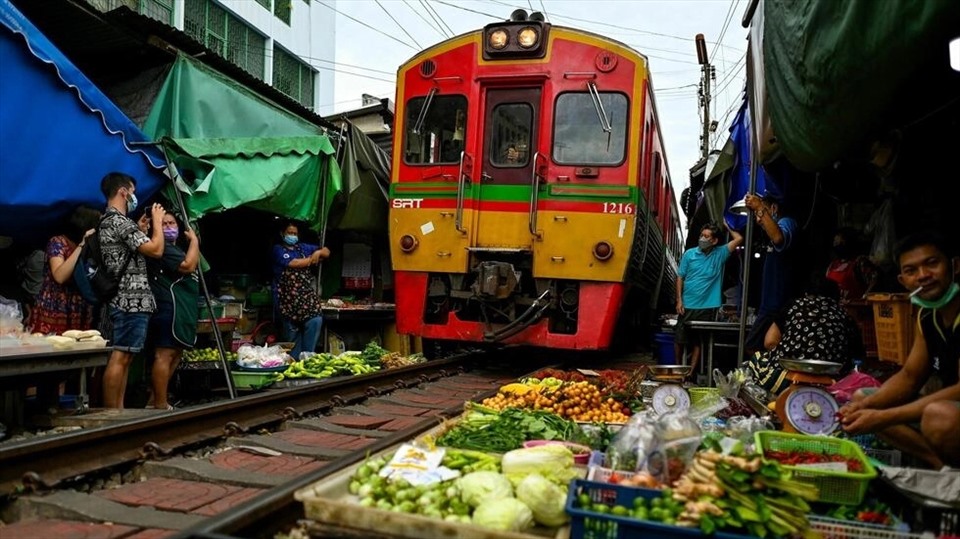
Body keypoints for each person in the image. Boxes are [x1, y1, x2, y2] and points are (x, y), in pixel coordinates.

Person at [839, 232, 960, 468]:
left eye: (932, 263)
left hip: (949, 412)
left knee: (939, 416)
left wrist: (883, 417)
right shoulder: (927, 315)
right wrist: (864, 407)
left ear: (954, 266)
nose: (923, 276)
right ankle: (941, 467)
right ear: (903, 281)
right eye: (911, 270)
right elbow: (910, 376)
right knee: (864, 398)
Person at [99, 172, 165, 409]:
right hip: (129, 299)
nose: (135, 197)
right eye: (133, 191)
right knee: (120, 356)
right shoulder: (119, 221)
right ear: (123, 192)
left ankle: (118, 411)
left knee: (124, 357)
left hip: (127, 298)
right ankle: (112, 413)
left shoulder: (111, 221)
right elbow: (156, 250)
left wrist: (140, 229)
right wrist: (158, 221)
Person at [748, 274, 863, 396]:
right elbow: (857, 355)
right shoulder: (844, 315)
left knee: (757, 359)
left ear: (807, 293)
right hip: (833, 384)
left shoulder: (794, 305)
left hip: (785, 381)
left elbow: (769, 342)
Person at [144, 211, 200, 411]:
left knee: (175, 355)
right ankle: (160, 404)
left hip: (180, 308)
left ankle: (154, 400)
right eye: (164, 223)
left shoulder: (174, 248)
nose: (169, 227)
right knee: (164, 355)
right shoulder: (164, 248)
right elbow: (188, 266)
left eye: (172, 223)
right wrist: (194, 241)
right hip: (168, 307)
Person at [674, 221, 743, 378]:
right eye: (701, 235)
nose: (702, 239)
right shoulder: (689, 254)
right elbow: (680, 277)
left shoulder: (720, 254)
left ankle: (691, 373)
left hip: (707, 306)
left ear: (714, 241)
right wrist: (679, 300)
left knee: (699, 342)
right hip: (687, 304)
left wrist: (728, 224)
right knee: (679, 339)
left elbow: (739, 239)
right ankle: (678, 369)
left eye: (706, 236)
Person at [29, 206, 101, 335]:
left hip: (79, 307)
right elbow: (59, 276)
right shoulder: (58, 242)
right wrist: (82, 245)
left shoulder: (93, 247)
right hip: (55, 307)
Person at [742, 191, 800, 353]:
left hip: (778, 305)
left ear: (773, 208)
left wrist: (759, 206)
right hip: (769, 305)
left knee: (754, 346)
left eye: (761, 213)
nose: (758, 218)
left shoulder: (787, 222)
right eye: (756, 214)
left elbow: (778, 238)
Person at [272, 222, 330, 359]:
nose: (292, 236)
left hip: (305, 297)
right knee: (292, 342)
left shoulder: (302, 248)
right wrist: (312, 259)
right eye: (290, 233)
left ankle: (308, 357)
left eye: (295, 233)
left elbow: (327, 251)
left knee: (315, 320)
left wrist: (319, 252)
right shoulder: (278, 250)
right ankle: (295, 362)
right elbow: (294, 263)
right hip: (287, 300)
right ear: (282, 234)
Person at [826, 227, 879, 301]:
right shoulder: (833, 265)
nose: (837, 245)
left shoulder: (860, 263)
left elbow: (874, 282)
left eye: (841, 242)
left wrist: (863, 299)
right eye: (835, 242)